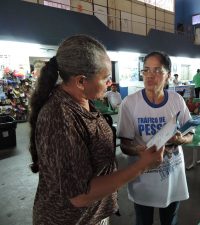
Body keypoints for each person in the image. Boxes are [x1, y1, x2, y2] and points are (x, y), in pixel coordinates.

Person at [28, 35, 164, 225]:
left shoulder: (84, 102)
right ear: (81, 81)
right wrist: (142, 166)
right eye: (106, 78)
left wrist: (136, 150)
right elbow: (80, 196)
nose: (110, 83)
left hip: (93, 215)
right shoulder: (60, 118)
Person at [117, 51, 193, 225]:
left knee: (170, 220)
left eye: (157, 70)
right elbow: (124, 145)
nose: (150, 75)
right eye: (146, 70)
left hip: (172, 175)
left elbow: (190, 134)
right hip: (143, 179)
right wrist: (140, 151)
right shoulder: (130, 103)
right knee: (144, 221)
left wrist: (180, 140)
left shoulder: (177, 100)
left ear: (167, 75)